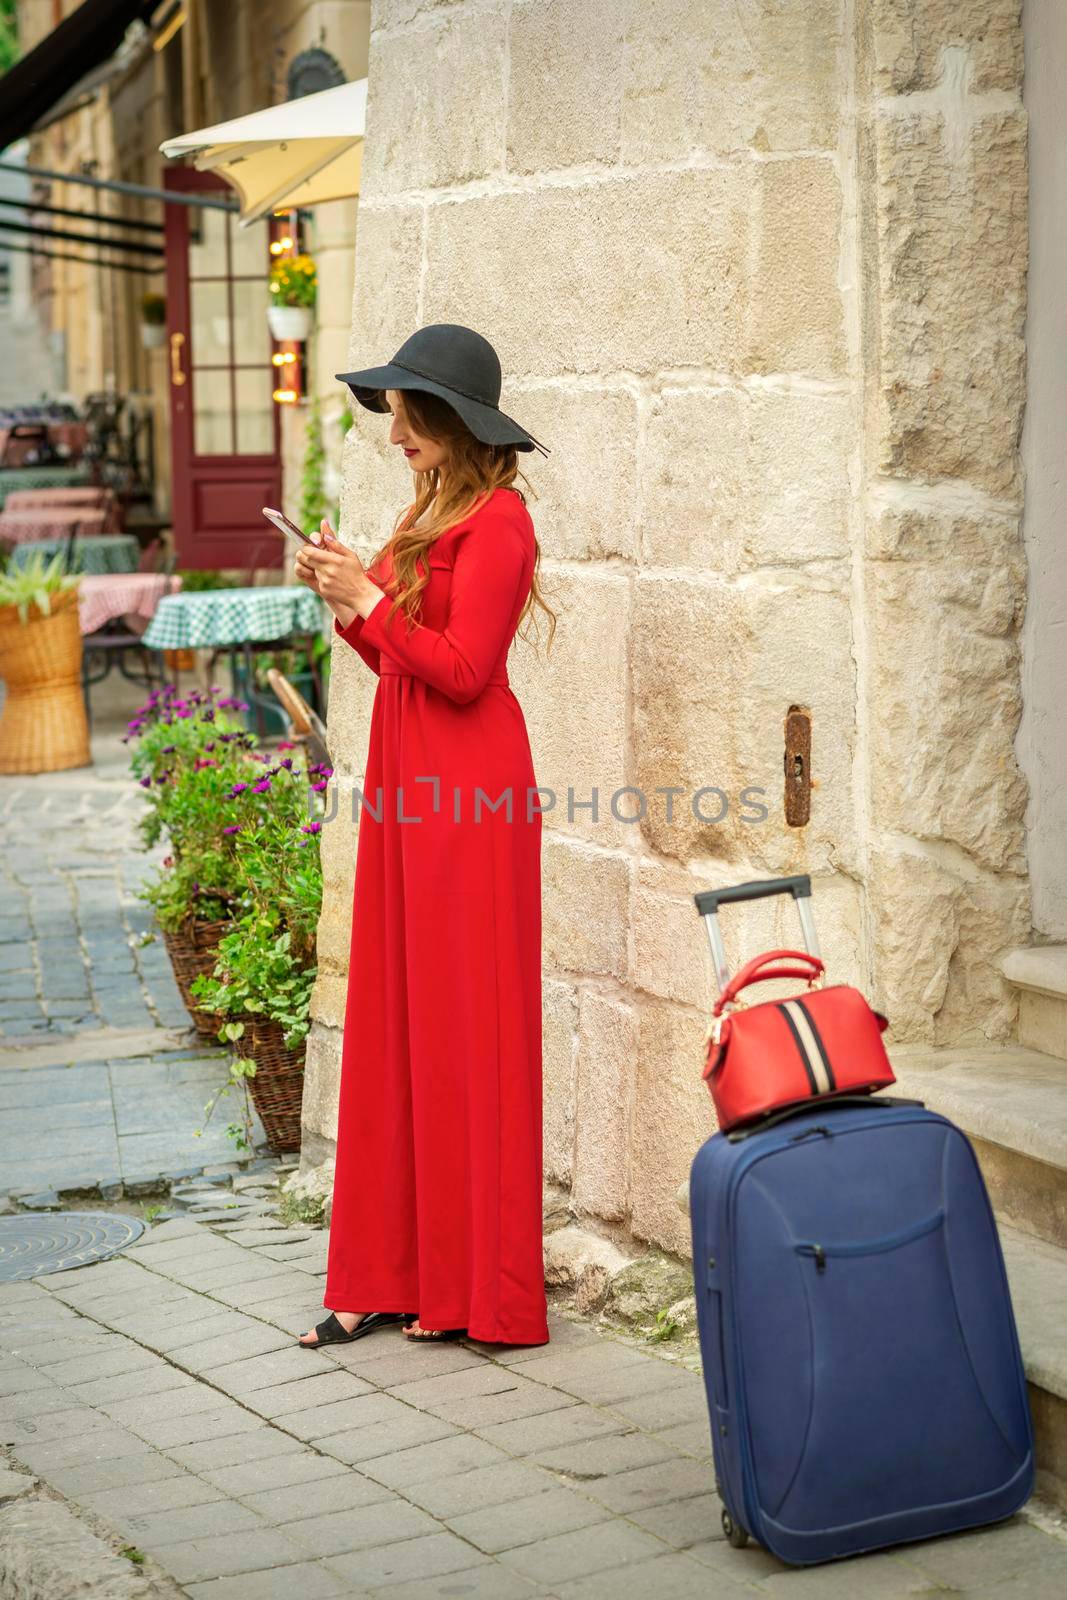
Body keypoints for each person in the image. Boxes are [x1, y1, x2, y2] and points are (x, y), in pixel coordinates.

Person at [295, 324, 557, 1348]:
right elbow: (400, 662)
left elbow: (463, 669)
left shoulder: (500, 521)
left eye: (408, 411)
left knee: (465, 1030)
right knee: (399, 1022)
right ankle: (386, 1273)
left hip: (469, 794)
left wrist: (369, 598)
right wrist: (347, 599)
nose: (393, 427)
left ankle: (476, 1290)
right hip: (409, 784)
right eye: (392, 411)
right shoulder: (428, 508)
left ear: (452, 420)